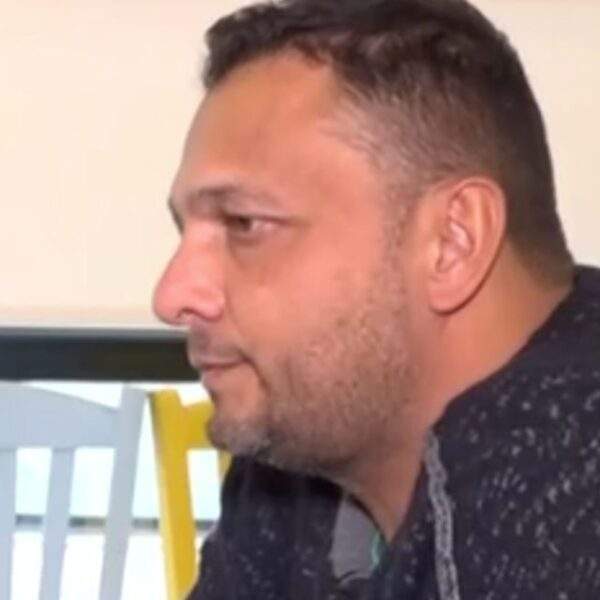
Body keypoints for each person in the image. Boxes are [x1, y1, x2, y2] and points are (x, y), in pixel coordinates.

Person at [153, 0, 600, 597]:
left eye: (244, 223)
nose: (172, 296)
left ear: (452, 242)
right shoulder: (303, 446)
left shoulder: (567, 500)